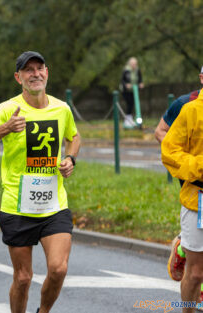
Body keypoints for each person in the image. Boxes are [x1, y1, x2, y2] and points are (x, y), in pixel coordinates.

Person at [0, 51, 81, 313]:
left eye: (40, 68)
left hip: (54, 205)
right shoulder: (6, 109)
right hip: (17, 205)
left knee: (58, 269)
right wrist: (6, 129)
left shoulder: (61, 108)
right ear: (18, 77)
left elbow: (74, 136)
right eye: (28, 70)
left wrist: (70, 159)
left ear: (47, 72)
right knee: (23, 278)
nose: (35, 74)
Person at [155, 67, 203, 311]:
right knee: (195, 275)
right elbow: (165, 141)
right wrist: (196, 167)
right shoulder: (186, 106)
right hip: (197, 193)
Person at [120, 57, 144, 128]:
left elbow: (140, 79)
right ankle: (127, 120)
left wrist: (141, 83)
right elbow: (122, 80)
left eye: (135, 64)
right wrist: (126, 85)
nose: (134, 65)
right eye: (133, 64)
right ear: (130, 64)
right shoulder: (126, 70)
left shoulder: (137, 70)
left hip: (134, 90)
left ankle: (131, 120)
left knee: (133, 104)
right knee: (129, 103)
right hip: (126, 91)